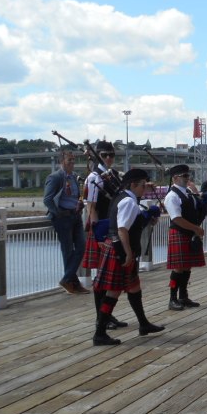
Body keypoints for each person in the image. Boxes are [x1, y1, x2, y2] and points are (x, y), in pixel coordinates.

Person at [92, 168, 164, 345]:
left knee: (134, 288)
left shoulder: (124, 197)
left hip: (117, 247)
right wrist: (128, 253)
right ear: (133, 185)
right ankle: (99, 333)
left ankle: (144, 324)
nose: (145, 189)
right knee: (113, 292)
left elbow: (131, 224)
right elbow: (122, 230)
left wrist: (147, 218)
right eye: (142, 185)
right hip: (120, 250)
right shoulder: (128, 202)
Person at [82, 141, 127, 328]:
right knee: (101, 277)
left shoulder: (112, 175)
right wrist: (98, 235)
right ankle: (100, 318)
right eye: (104, 155)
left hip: (112, 227)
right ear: (97, 156)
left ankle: (107, 315)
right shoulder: (93, 178)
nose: (109, 158)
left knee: (109, 277)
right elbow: (91, 207)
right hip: (101, 230)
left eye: (111, 155)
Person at [43, 150, 89, 295]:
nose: (72, 163)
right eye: (69, 160)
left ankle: (67, 279)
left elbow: (77, 195)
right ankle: (73, 283)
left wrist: (79, 204)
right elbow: (47, 199)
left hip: (75, 216)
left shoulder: (74, 177)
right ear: (61, 161)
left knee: (81, 246)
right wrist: (58, 213)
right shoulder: (55, 177)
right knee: (68, 251)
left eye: (73, 160)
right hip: (63, 218)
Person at [164, 164, 206, 311]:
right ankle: (172, 298)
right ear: (175, 178)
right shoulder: (172, 196)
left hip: (189, 233)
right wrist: (196, 228)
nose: (188, 178)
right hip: (180, 232)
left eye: (188, 175)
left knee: (187, 266)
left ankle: (183, 296)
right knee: (178, 268)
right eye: (185, 176)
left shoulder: (188, 192)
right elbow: (177, 218)